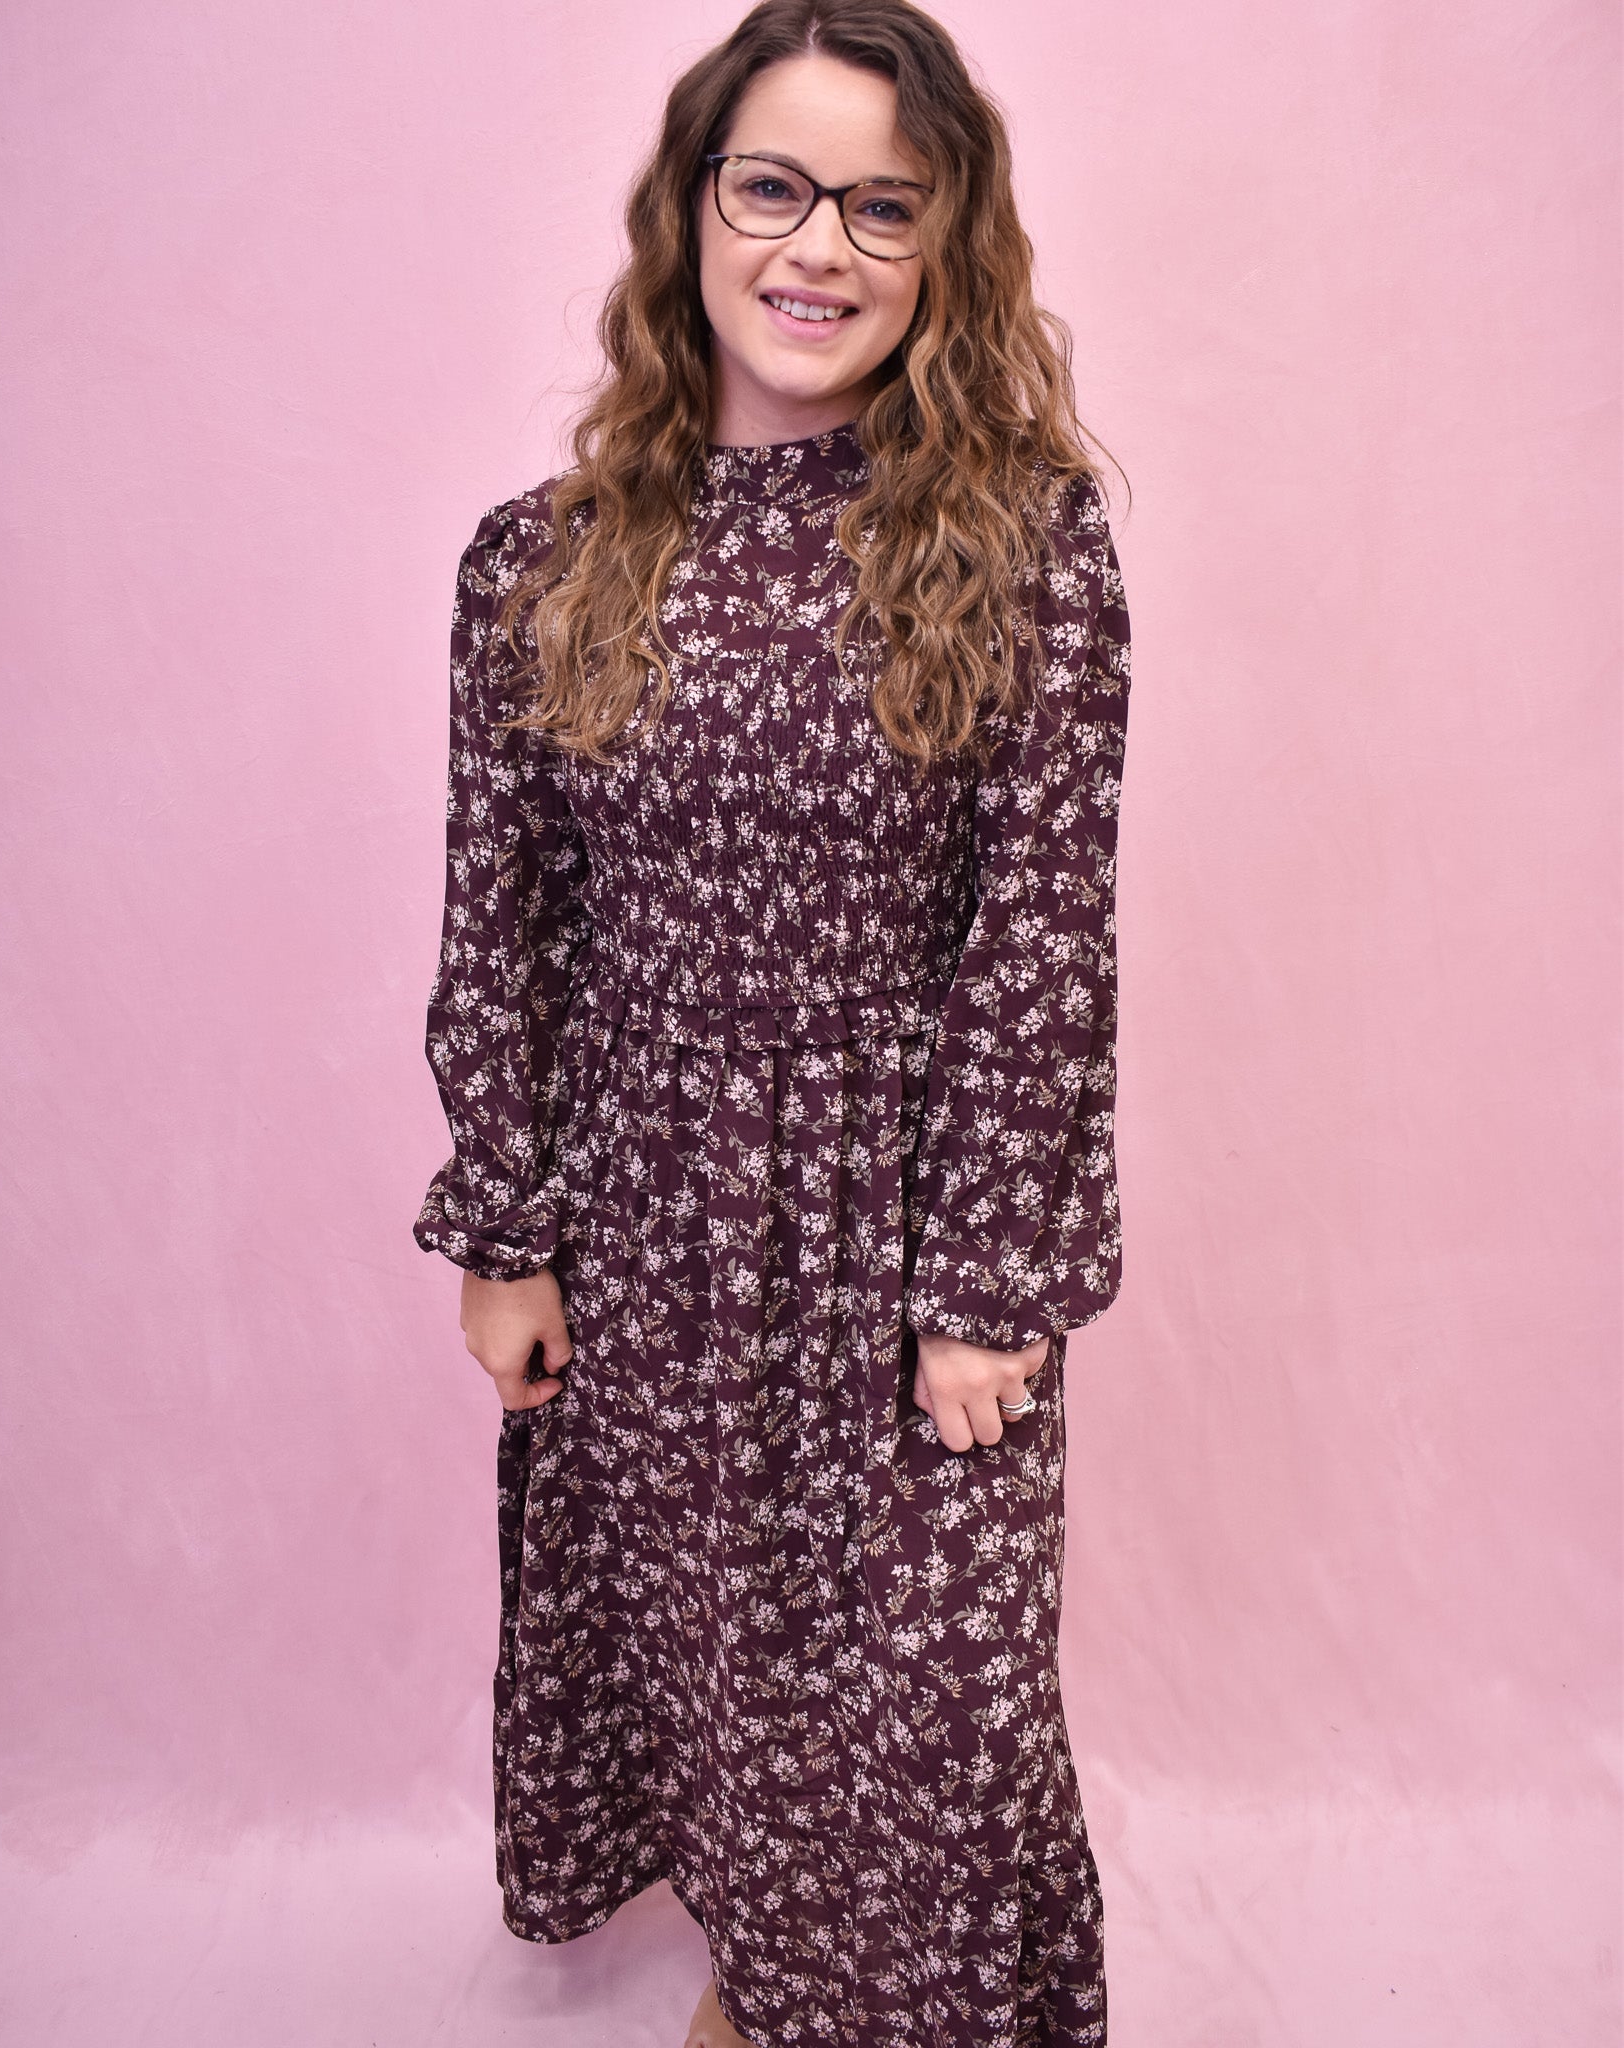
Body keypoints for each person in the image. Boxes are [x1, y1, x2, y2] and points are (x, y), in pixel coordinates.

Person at [412, 2, 1131, 2042]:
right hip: (646, 1229)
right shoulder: (536, 568)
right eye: (777, 187)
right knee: (716, 1668)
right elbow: (509, 922)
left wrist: (991, 1281)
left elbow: (1043, 937)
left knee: (926, 1710)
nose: (821, 246)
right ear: (696, 209)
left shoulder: (1022, 553)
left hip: (902, 1231)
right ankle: (763, 1981)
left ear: (945, 246)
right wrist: (507, 1230)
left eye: (883, 206)